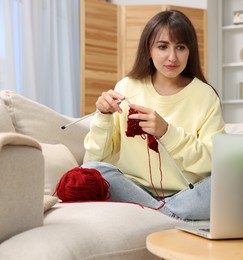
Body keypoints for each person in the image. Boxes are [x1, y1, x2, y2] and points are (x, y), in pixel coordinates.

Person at [82, 9, 225, 220]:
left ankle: (155, 216)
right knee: (94, 170)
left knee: (231, 182)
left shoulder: (205, 95)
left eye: (181, 47)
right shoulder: (126, 86)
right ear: (148, 50)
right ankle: (171, 217)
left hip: (188, 193)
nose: (172, 57)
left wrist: (167, 132)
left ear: (190, 52)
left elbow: (212, 161)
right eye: (162, 46)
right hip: (134, 189)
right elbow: (96, 157)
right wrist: (103, 116)